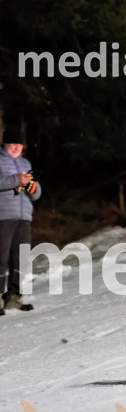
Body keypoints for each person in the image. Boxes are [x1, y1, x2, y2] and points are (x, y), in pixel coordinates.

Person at [0, 126, 42, 313]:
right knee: (1, 257)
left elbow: (36, 191)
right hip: (3, 215)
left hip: (24, 216)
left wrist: (33, 189)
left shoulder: (26, 163)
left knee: (21, 257)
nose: (16, 147)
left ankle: (13, 296)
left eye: (19, 144)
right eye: (12, 144)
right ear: (5, 144)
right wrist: (17, 180)